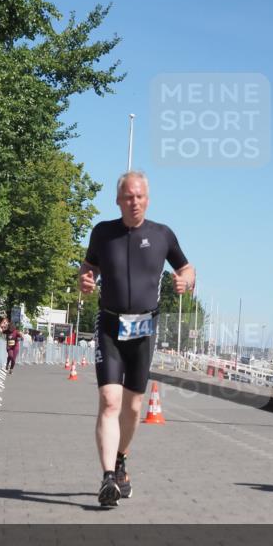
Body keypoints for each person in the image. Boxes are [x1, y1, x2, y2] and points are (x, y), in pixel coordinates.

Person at [79, 171, 194, 507]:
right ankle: (107, 479)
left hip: (144, 332)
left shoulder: (162, 235)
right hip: (110, 327)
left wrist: (186, 281)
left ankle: (120, 460)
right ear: (118, 200)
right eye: (128, 196)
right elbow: (89, 267)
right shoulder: (103, 233)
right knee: (110, 401)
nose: (134, 202)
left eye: (140, 196)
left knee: (132, 407)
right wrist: (86, 279)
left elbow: (188, 268)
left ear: (148, 199)